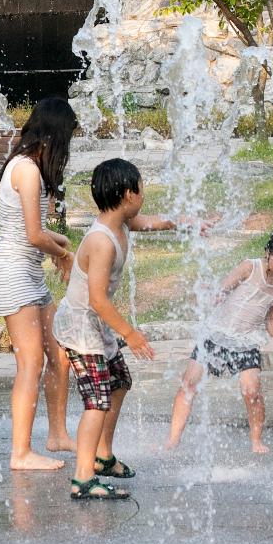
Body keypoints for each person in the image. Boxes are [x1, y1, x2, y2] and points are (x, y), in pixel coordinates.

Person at [53, 159, 169, 500]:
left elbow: (147, 223)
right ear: (129, 193)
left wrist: (181, 222)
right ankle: (83, 478)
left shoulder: (121, 222)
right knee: (97, 402)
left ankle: (102, 457)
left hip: (94, 324)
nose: (143, 194)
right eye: (142, 187)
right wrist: (130, 334)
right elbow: (98, 301)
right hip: (81, 327)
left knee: (119, 383)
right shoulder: (101, 241)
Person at [0, 97, 77, 471]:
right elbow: (35, 235)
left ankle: (56, 434)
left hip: (29, 274)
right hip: (12, 274)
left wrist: (63, 245)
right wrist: (64, 254)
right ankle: (20, 453)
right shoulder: (27, 170)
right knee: (31, 362)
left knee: (61, 355)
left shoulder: (27, 166)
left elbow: (34, 233)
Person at [166, 226, 273, 454]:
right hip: (217, 334)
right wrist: (210, 297)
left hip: (246, 342)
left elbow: (271, 319)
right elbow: (223, 289)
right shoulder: (250, 268)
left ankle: (256, 441)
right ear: (268, 252)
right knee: (188, 384)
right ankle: (173, 439)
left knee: (252, 391)